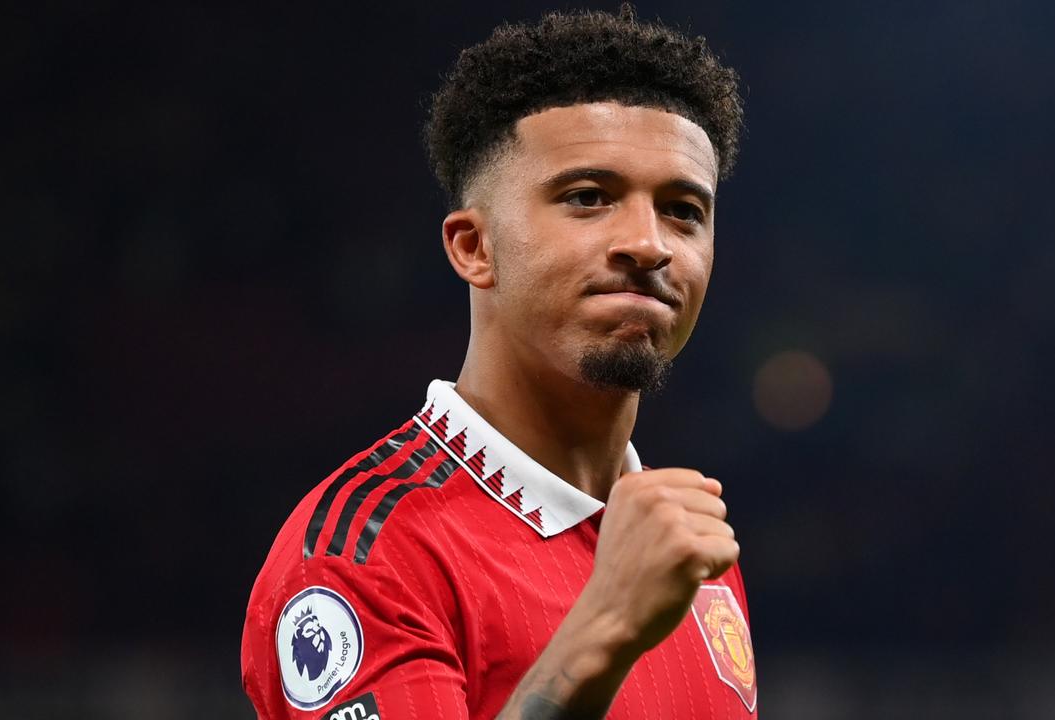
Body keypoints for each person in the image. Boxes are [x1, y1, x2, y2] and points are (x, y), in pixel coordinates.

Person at [241, 6, 754, 718]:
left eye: (683, 210)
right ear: (473, 248)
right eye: (588, 198)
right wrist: (603, 630)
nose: (648, 242)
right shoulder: (364, 553)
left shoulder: (688, 547)